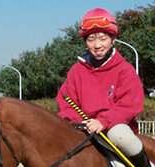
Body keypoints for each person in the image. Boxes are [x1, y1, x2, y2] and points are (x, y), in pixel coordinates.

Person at [56, 8, 151, 167]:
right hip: (83, 128)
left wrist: (102, 121)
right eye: (91, 39)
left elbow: (129, 105)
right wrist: (82, 122)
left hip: (115, 128)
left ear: (113, 39)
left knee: (120, 135)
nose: (97, 45)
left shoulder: (125, 70)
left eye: (102, 38)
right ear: (85, 42)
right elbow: (65, 104)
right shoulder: (76, 71)